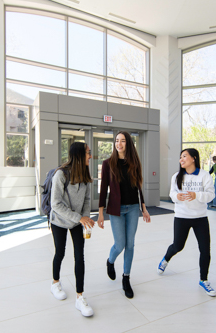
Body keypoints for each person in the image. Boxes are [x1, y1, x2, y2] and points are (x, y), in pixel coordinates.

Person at [157, 148, 216, 297]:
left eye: (184, 156)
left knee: (205, 249)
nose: (181, 159)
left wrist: (196, 194)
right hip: (182, 216)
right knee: (178, 246)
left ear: (194, 158)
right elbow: (172, 194)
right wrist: (178, 196)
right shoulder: (176, 176)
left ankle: (204, 279)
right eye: (180, 157)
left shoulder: (204, 175)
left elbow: (211, 195)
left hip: (200, 217)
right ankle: (165, 259)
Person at [98, 131, 151, 299]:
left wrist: (144, 207)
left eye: (122, 141)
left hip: (133, 207)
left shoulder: (134, 162)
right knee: (120, 244)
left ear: (128, 144)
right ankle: (110, 261)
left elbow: (138, 186)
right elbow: (103, 189)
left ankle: (126, 278)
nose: (118, 144)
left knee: (130, 245)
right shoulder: (108, 164)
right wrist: (100, 213)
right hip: (116, 209)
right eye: (116, 141)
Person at [49, 142, 95, 317]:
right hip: (59, 221)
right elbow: (56, 204)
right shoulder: (60, 175)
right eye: (88, 153)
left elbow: (86, 200)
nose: (90, 156)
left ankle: (80, 297)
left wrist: (83, 219)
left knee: (79, 256)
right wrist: (79, 217)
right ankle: (55, 283)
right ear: (78, 155)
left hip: (77, 222)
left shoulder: (85, 175)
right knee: (60, 252)